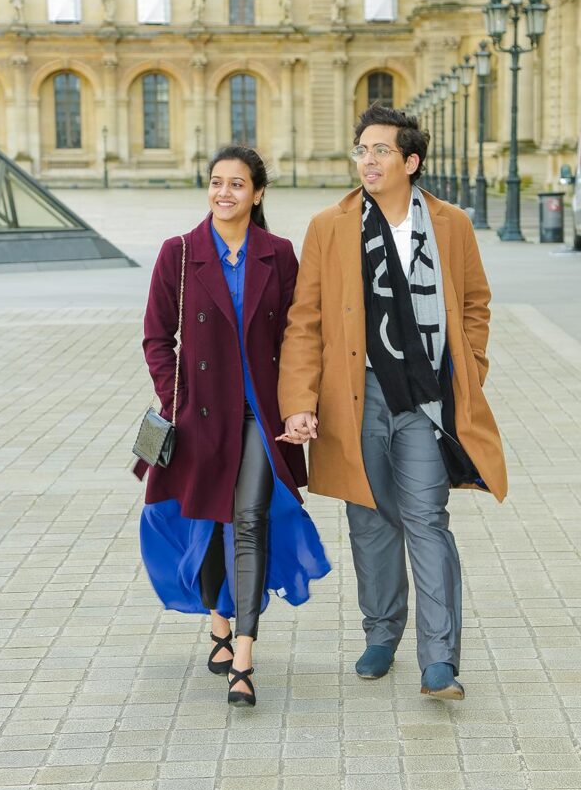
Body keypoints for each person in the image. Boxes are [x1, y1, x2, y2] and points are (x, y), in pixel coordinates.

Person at [277, 104, 507, 701]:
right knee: (369, 516)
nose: (368, 160)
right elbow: (305, 320)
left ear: (411, 161)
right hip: (356, 394)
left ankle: (440, 659)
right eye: (362, 150)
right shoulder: (332, 225)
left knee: (427, 520)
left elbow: (476, 303)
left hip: (426, 399)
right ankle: (381, 633)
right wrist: (300, 399)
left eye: (381, 151)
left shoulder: (451, 224)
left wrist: (469, 370)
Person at [134, 145, 330, 707]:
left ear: (258, 193)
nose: (225, 193)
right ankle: (218, 622)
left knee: (247, 519)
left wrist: (301, 403)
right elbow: (155, 339)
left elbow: (298, 337)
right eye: (217, 182)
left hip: (260, 417)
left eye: (237, 184)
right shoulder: (179, 253)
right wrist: (176, 402)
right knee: (210, 519)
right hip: (201, 414)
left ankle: (242, 655)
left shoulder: (279, 254)